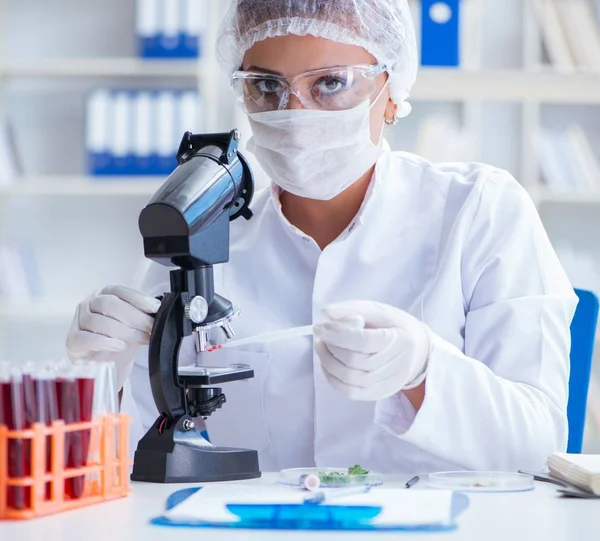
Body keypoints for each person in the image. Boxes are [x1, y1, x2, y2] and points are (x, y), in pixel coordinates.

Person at [65, 0, 578, 474]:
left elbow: (537, 447)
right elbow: (122, 460)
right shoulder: (200, 235)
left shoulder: (478, 211)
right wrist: (103, 369)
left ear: (392, 94)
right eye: (266, 86)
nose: (296, 111)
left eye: (330, 83)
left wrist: (423, 371)